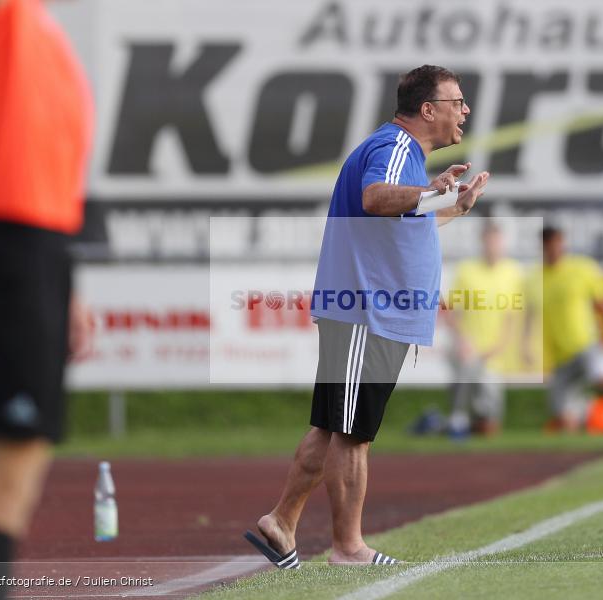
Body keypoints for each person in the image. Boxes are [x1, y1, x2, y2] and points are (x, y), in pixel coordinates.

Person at [244, 65, 489, 568]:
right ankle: (348, 547)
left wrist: (451, 206)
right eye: (457, 102)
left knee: (332, 427)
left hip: (369, 310)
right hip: (368, 311)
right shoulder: (397, 148)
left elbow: (400, 224)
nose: (464, 111)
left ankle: (281, 522)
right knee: (354, 434)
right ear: (428, 109)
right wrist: (431, 192)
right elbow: (374, 199)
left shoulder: (405, 157)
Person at [0, 1, 94, 598]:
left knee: (10, 486)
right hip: (11, 257)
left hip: (34, 256)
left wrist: (64, 283)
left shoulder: (36, 25)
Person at [524, 226, 603, 433]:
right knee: (562, 415)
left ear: (563, 243)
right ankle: (593, 416)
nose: (553, 249)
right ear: (542, 247)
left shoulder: (582, 269)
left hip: (586, 345)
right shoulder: (536, 277)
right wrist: (525, 345)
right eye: (548, 245)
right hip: (561, 357)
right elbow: (530, 315)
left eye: (557, 243)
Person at [443, 221, 524, 438]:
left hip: (494, 353)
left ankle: (456, 424)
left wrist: (500, 346)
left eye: (496, 241)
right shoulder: (466, 271)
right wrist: (463, 341)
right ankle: (456, 420)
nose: (492, 246)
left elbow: (512, 318)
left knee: (489, 424)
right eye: (489, 241)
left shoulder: (512, 273)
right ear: (482, 242)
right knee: (464, 381)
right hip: (467, 349)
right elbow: (450, 311)